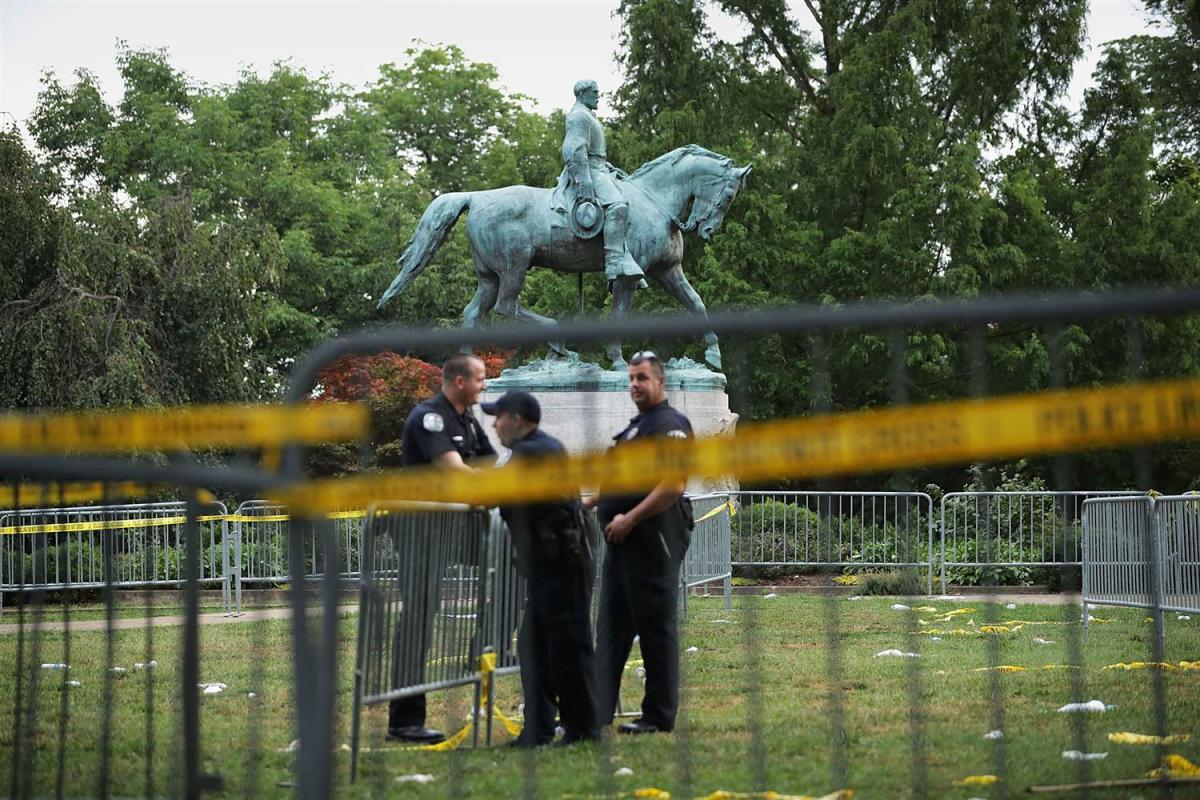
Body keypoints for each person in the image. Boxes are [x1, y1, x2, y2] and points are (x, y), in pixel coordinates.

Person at [387, 352, 496, 744]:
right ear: (460, 381)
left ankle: (484, 647)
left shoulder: (466, 419)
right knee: (419, 614)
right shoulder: (428, 417)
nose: (485, 384)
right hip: (420, 525)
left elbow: (488, 462)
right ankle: (404, 719)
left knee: (510, 564)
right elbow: (456, 469)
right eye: (481, 378)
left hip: (455, 522)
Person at [483, 390, 600, 747]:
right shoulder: (544, 447)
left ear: (516, 420)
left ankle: (581, 729)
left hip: (560, 565)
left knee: (566, 647)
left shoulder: (531, 452)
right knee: (538, 646)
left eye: (498, 416)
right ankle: (542, 728)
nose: (494, 423)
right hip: (556, 563)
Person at [586, 351, 693, 734]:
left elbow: (672, 485)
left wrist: (630, 518)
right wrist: (593, 501)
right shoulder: (637, 427)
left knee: (654, 629)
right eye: (631, 378)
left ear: (660, 382)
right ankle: (593, 713)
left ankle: (658, 716)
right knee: (610, 628)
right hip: (622, 543)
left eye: (642, 378)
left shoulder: (670, 426)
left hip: (652, 540)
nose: (635, 385)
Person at [552, 79, 644, 281]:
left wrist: (605, 165)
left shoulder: (587, 115)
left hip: (599, 168)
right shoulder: (579, 116)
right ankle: (614, 262)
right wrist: (584, 182)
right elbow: (574, 150)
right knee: (618, 206)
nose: (598, 96)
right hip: (589, 172)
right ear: (583, 93)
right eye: (595, 92)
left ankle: (626, 258)